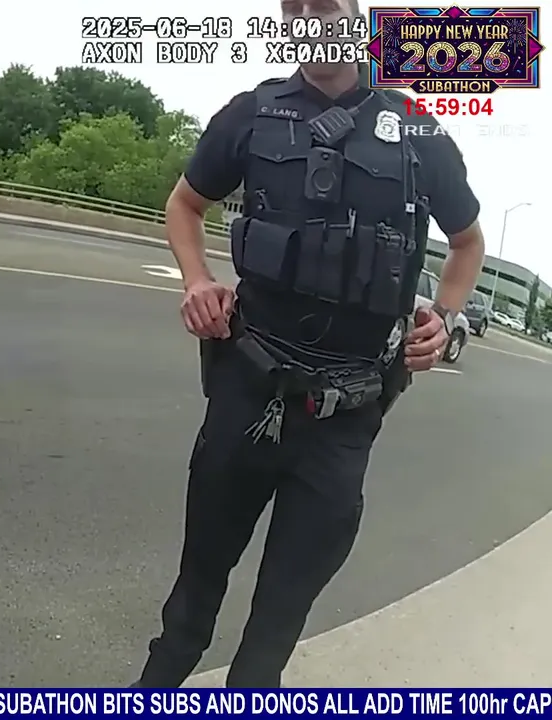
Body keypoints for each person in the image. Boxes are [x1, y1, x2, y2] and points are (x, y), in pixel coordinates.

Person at [134, 0, 485, 687]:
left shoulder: (417, 129)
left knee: (272, 635)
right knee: (189, 608)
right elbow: (184, 204)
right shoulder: (252, 113)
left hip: (344, 418)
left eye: (322, 6)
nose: (306, 20)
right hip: (248, 393)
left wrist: (445, 317)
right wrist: (197, 280)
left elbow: (467, 242)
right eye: (292, 8)